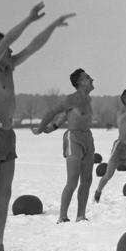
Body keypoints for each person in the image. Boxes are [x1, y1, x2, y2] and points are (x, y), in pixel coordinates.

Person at [0, 2, 75, 251]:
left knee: (5, 193)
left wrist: (52, 26)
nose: (10, 50)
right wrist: (29, 18)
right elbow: (11, 38)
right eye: (4, 47)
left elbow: (33, 46)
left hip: (8, 135)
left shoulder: (9, 67)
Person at [32, 68, 95, 223]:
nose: (92, 79)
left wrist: (53, 127)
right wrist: (41, 129)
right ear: (80, 82)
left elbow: (67, 115)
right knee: (73, 180)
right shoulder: (71, 98)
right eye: (88, 77)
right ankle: (62, 216)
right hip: (73, 138)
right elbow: (51, 112)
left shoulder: (87, 99)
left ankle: (81, 216)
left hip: (88, 137)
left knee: (87, 180)